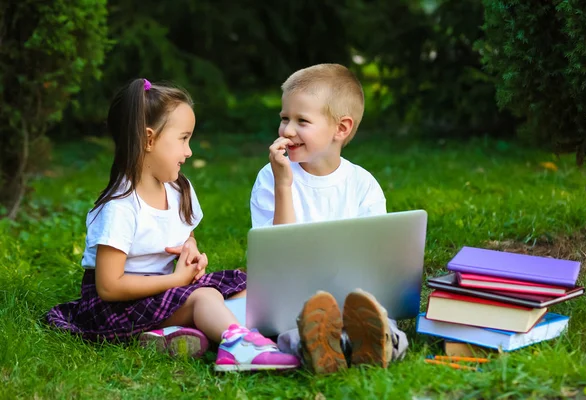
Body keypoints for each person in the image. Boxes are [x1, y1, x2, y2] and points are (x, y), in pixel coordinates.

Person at [46, 78, 299, 373]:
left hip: (166, 293)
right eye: (183, 139)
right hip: (119, 308)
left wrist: (189, 253)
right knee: (205, 297)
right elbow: (108, 286)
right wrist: (177, 281)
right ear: (149, 140)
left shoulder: (179, 189)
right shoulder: (120, 207)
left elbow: (186, 238)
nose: (189, 151)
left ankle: (174, 335)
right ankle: (239, 349)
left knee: (246, 288)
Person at [250, 64, 409, 374]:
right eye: (284, 118)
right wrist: (284, 185)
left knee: (380, 319)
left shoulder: (363, 185)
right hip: (294, 299)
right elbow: (278, 252)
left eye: (302, 121)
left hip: (353, 299)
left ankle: (375, 343)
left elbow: (376, 260)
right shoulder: (272, 178)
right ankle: (320, 348)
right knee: (297, 326)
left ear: (341, 128)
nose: (287, 130)